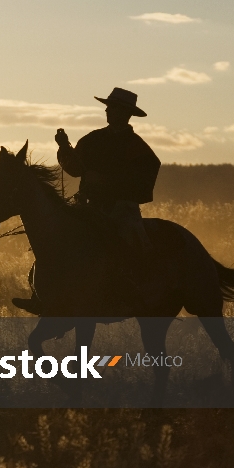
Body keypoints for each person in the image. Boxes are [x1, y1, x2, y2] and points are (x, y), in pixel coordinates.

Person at [12, 87, 161, 315]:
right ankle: (42, 294)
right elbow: (74, 169)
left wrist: (108, 181)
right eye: (109, 108)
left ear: (126, 114)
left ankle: (129, 291)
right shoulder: (93, 139)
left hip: (121, 208)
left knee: (125, 244)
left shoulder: (137, 148)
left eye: (114, 108)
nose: (109, 112)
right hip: (89, 205)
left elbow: (143, 180)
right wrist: (64, 146)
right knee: (58, 238)